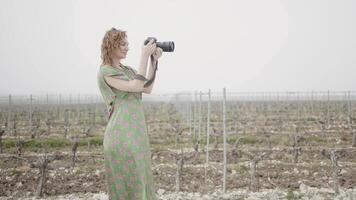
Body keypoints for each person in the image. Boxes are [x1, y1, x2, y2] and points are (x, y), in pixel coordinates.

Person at [97, 27, 162, 200]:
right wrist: (143, 56)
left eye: (127, 44)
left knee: (142, 179)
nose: (127, 47)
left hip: (136, 133)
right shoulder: (105, 71)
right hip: (120, 136)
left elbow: (146, 87)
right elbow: (135, 86)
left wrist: (153, 61)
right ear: (111, 46)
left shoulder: (129, 71)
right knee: (126, 185)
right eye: (123, 44)